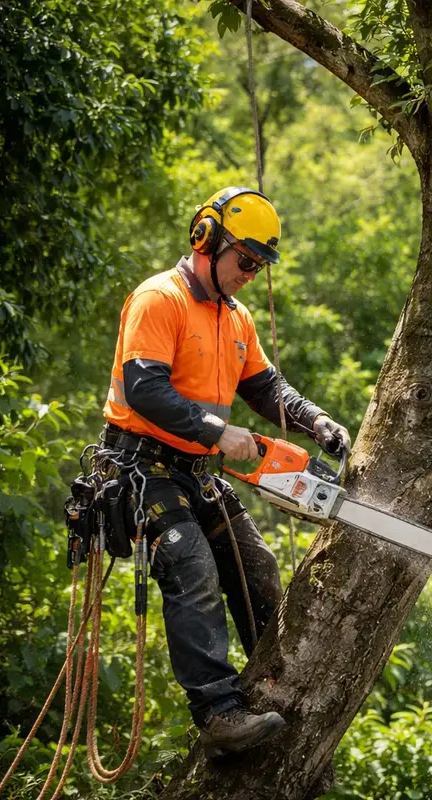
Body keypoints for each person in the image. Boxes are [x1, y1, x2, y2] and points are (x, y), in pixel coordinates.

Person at [98, 186, 352, 758]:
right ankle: (217, 714)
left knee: (255, 562)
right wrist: (218, 432)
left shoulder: (236, 318)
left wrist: (316, 421)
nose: (251, 274)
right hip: (142, 467)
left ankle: (270, 694)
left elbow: (264, 386)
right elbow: (144, 389)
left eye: (260, 265)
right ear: (207, 240)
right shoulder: (159, 299)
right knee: (191, 564)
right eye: (246, 260)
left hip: (196, 470)